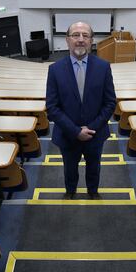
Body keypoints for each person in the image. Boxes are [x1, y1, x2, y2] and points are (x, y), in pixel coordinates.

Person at [46, 22, 116, 200]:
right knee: (69, 168)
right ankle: (70, 191)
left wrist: (90, 129)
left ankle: (93, 191)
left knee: (94, 166)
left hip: (95, 134)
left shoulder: (103, 67)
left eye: (85, 35)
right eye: (75, 35)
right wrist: (76, 131)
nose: (80, 39)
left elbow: (109, 103)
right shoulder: (54, 70)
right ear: (67, 40)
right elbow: (52, 107)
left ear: (92, 40)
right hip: (68, 135)